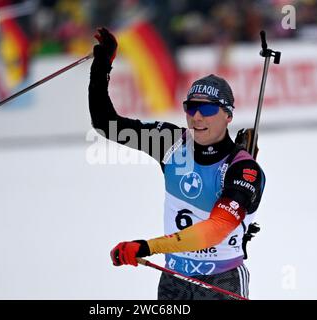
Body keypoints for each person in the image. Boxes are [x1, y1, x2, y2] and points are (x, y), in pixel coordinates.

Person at [89, 27, 265, 300]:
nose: (196, 117)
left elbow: (213, 231)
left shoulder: (243, 168)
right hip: (174, 279)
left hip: (222, 280)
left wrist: (146, 247)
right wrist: (102, 65)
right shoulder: (169, 141)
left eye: (207, 109)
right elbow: (106, 124)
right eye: (190, 107)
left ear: (228, 115)